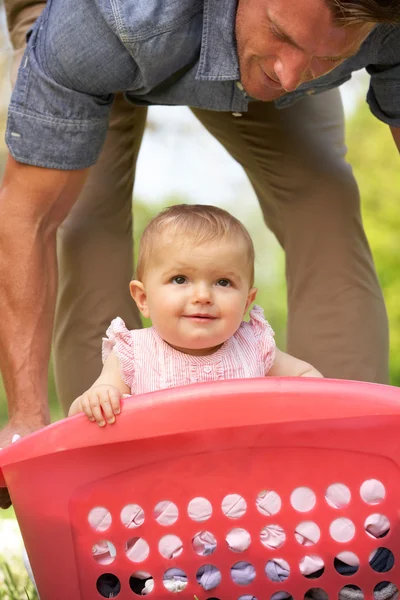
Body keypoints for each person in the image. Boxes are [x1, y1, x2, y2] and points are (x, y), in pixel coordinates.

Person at [0, 0, 399, 500]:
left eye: (324, 57)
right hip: (105, 27)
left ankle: (345, 494)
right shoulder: (108, 20)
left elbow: (303, 49)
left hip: (250, 24)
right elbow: (31, 218)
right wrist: (24, 419)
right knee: (85, 225)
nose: (292, 75)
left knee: (323, 197)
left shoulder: (385, 21)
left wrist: (310, 45)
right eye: (282, 37)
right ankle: (111, 502)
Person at [68, 205, 323, 425]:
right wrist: (94, 400)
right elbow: (78, 416)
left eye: (223, 282)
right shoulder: (133, 353)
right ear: (143, 299)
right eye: (180, 279)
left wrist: (309, 406)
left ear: (246, 302)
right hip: (159, 476)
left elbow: (306, 378)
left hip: (245, 474)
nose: (203, 296)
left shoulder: (254, 346)